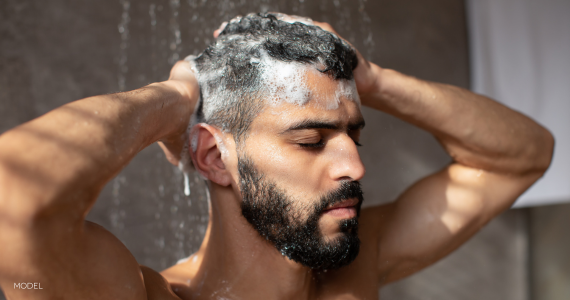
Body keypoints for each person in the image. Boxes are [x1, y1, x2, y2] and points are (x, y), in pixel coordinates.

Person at [0, 13, 553, 300]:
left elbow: (521, 157)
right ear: (214, 157)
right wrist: (172, 100)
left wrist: (374, 80)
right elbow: (14, 198)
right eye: (311, 141)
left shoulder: (349, 271)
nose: (354, 168)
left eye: (353, 137)